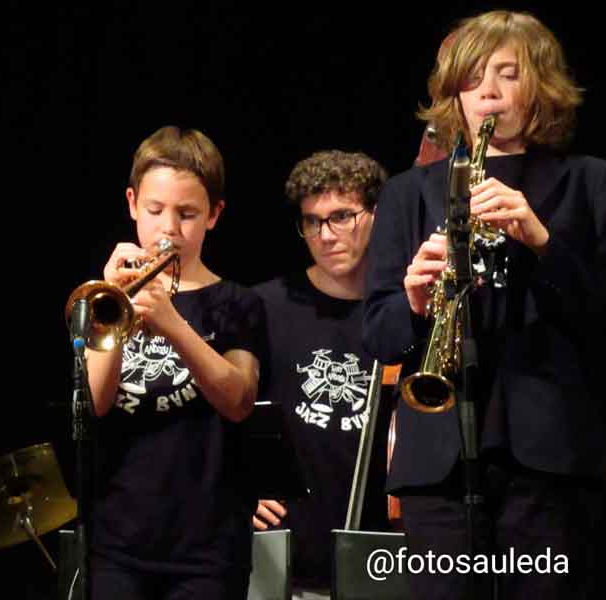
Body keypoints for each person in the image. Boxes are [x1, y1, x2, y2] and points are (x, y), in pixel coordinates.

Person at [363, 11, 606, 599]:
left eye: (507, 74)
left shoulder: (588, 182)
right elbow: (376, 335)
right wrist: (415, 302)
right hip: (438, 461)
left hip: (549, 459)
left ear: (542, 85)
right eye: (472, 79)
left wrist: (541, 242)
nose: (488, 92)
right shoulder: (407, 193)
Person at [85, 125, 265, 599]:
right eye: (155, 210)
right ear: (131, 204)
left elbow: (239, 400)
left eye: (187, 214)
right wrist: (112, 302)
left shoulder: (238, 303)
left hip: (207, 550)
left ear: (214, 215)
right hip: (118, 541)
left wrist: (173, 324)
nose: (169, 229)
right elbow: (96, 404)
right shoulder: (106, 297)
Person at [251, 150, 390, 600]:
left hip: (380, 553)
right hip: (289, 560)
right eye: (311, 222)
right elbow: (229, 412)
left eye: (341, 217)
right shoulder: (266, 307)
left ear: (375, 213)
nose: (324, 235)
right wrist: (240, 489)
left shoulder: (402, 312)